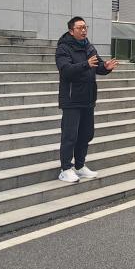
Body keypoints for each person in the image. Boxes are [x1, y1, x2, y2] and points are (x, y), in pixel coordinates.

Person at [56, 16, 117, 182]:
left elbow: (98, 66)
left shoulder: (88, 47)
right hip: (72, 99)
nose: (83, 30)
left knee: (86, 134)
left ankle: (80, 166)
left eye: (85, 27)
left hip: (88, 99)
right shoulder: (63, 48)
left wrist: (106, 67)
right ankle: (65, 169)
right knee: (70, 136)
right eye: (80, 28)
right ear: (71, 31)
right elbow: (65, 70)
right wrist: (85, 64)